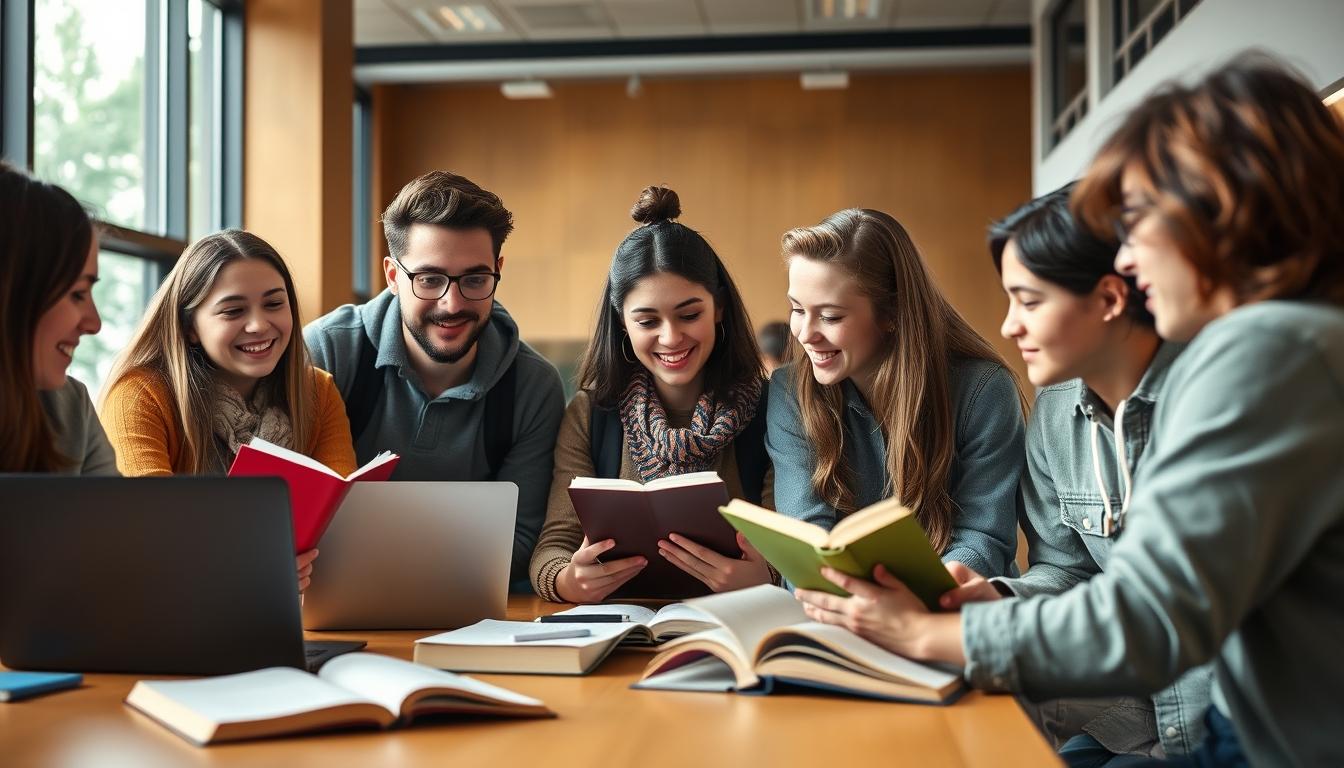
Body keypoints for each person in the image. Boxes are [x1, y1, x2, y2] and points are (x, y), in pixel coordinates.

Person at [792, 57, 1344, 767]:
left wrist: (929, 636)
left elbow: (1151, 618)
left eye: (1141, 221)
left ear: (1222, 210)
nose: (1131, 258)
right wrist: (996, 601)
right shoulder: (1292, 342)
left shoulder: (1267, 352)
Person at [969, 184, 1210, 764]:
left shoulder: (1212, 404)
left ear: (1108, 298)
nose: (1008, 327)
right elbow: (1067, 566)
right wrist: (998, 597)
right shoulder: (1055, 408)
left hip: (1220, 725)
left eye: (1028, 302)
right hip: (1128, 711)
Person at [305, 171, 564, 589]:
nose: (452, 303)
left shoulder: (533, 387)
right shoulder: (326, 353)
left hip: (472, 617)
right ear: (392, 276)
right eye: (429, 279)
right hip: (331, 601)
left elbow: (520, 541)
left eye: (475, 280)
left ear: (498, 271)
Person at [529, 186, 773, 603]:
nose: (671, 337)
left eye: (690, 314)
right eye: (647, 321)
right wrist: (568, 580)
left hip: (735, 621)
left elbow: (793, 544)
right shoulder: (590, 415)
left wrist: (766, 577)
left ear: (720, 309)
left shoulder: (772, 410)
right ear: (622, 322)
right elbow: (553, 546)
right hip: (622, 627)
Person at [769, 208, 1025, 579]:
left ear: (892, 313)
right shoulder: (789, 391)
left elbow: (982, 538)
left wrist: (912, 608)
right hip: (838, 614)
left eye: (830, 316)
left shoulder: (984, 391)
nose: (805, 334)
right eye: (797, 309)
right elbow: (806, 537)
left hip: (952, 610)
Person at [100, 229, 356, 592]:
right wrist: (250, 568)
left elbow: (341, 525)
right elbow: (147, 532)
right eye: (233, 311)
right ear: (190, 327)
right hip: (168, 616)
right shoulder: (139, 396)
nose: (259, 325)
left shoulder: (317, 391)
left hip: (294, 614)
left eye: (273, 304)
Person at [0, 162, 117, 475]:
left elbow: (121, 521)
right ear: (12, 293)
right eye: (77, 294)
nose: (94, 323)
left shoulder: (70, 408)